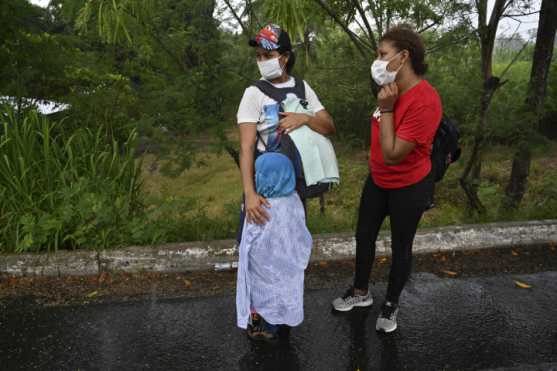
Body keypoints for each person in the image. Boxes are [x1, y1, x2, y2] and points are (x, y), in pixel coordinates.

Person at [331, 25, 442, 333]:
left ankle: (391, 303)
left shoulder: (425, 100)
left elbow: (393, 152)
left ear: (403, 56)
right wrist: (385, 107)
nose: (377, 60)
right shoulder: (391, 87)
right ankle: (360, 293)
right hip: (378, 179)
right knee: (363, 236)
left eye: (382, 54)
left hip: (409, 185)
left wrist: (387, 109)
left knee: (400, 246)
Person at [236, 23, 335, 229]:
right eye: (259, 56)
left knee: (294, 241)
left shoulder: (302, 87)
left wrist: (305, 118)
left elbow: (328, 127)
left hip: (297, 182)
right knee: (265, 242)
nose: (262, 61)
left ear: (285, 57)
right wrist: (250, 194)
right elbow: (246, 148)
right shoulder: (253, 93)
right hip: (268, 185)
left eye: (268, 56)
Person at [236, 152, 313, 342]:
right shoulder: (294, 200)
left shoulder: (258, 207)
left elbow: (247, 240)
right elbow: (302, 232)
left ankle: (263, 324)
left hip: (263, 267)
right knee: (286, 292)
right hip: (288, 264)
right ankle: (283, 322)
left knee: (263, 295)